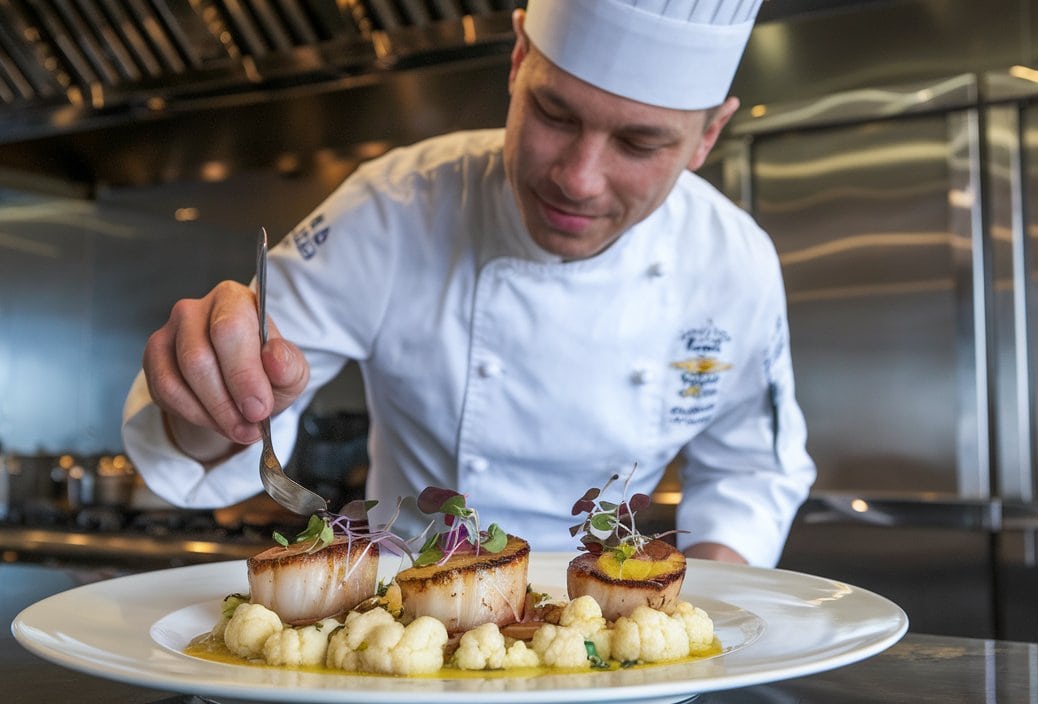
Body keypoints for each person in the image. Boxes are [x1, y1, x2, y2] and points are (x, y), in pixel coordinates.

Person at [122, 0, 815, 567]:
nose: (578, 178)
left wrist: (700, 613)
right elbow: (235, 429)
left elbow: (750, 472)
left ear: (706, 137)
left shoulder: (734, 261)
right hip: (409, 642)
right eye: (554, 114)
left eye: (639, 144)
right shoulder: (393, 210)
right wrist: (210, 392)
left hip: (617, 651)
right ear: (517, 61)